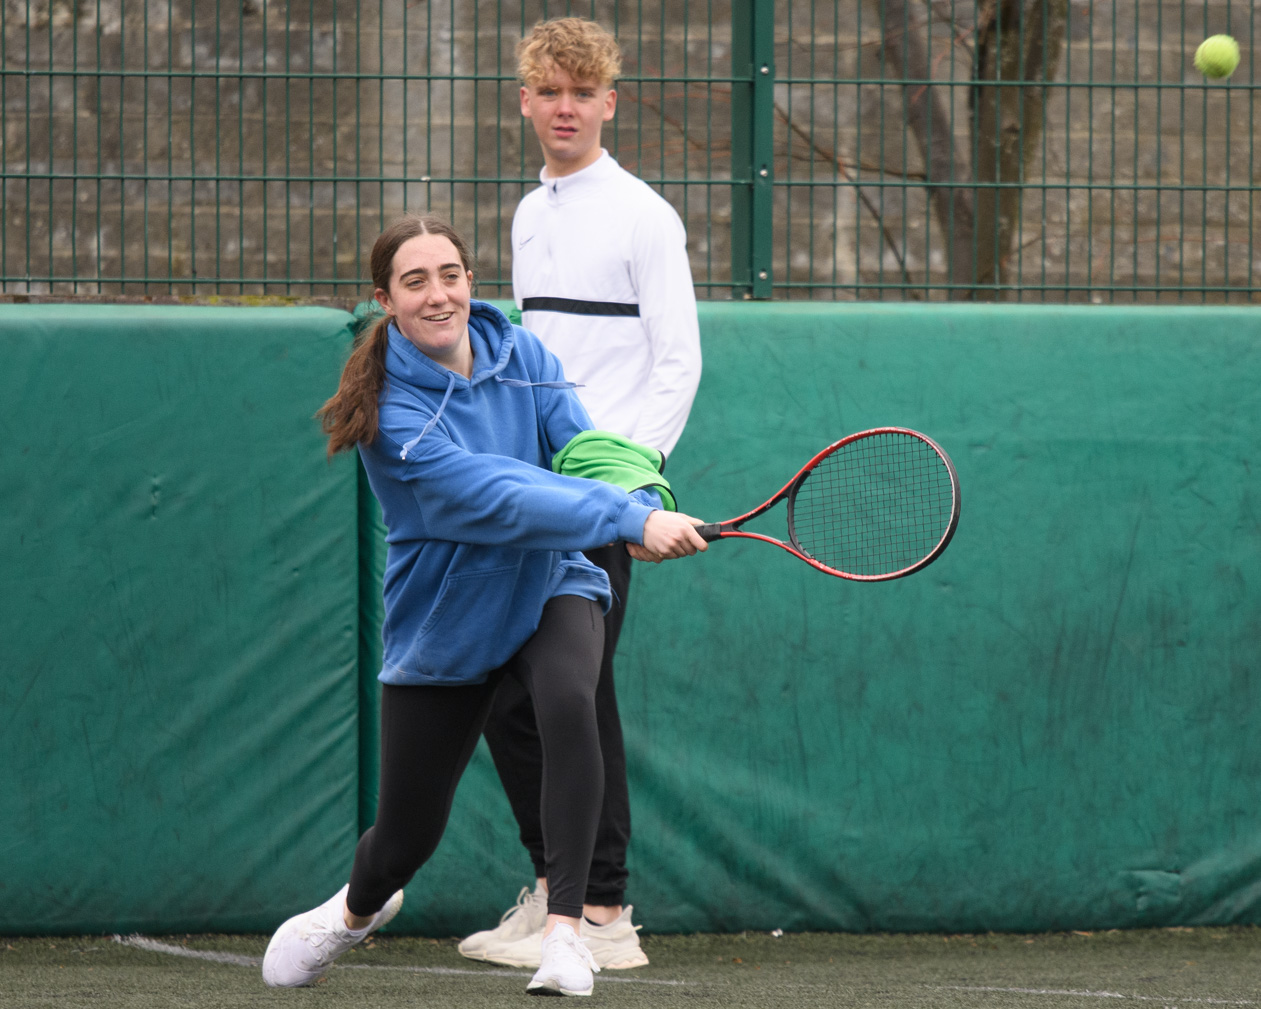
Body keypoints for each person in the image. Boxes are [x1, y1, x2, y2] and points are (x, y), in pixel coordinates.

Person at [261, 213, 706, 996]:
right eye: (415, 281)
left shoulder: (524, 353)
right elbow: (496, 497)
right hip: (448, 618)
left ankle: (568, 932)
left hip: (550, 579)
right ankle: (356, 910)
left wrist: (640, 488)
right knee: (403, 837)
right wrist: (627, 518)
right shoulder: (391, 416)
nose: (439, 295)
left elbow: (581, 444)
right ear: (385, 299)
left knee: (571, 700)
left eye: (451, 275)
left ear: (471, 280)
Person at [458, 17, 703, 973]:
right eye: (548, 91)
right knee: (501, 695)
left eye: (582, 91)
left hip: (602, 493)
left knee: (575, 694)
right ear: (525, 102)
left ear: (610, 101)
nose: (565, 107)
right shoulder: (528, 213)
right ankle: (558, 892)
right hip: (527, 487)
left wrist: (632, 487)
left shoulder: (644, 214)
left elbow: (676, 363)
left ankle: (605, 911)